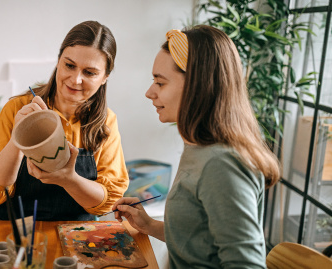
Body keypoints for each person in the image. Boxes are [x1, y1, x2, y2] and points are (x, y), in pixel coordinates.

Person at [112, 25, 281, 268]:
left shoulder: (221, 164)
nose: (150, 92)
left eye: (160, 83)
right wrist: (148, 225)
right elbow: (200, 241)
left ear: (196, 85)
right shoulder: (200, 146)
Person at [0, 20, 129, 221]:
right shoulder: (17, 109)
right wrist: (18, 139)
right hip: (13, 237)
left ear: (105, 76)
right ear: (58, 61)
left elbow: (105, 203)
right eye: (69, 65)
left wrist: (70, 180)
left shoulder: (105, 122)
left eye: (89, 72)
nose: (75, 79)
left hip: (75, 238)